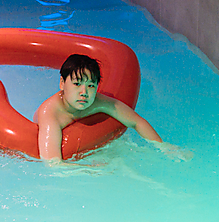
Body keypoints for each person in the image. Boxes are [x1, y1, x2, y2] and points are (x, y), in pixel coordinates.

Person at [34, 54, 191, 164]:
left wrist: (165, 147)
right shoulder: (50, 114)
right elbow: (52, 164)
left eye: (91, 85)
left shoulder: (97, 101)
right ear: (62, 83)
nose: (84, 92)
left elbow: (137, 122)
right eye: (77, 84)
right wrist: (91, 170)